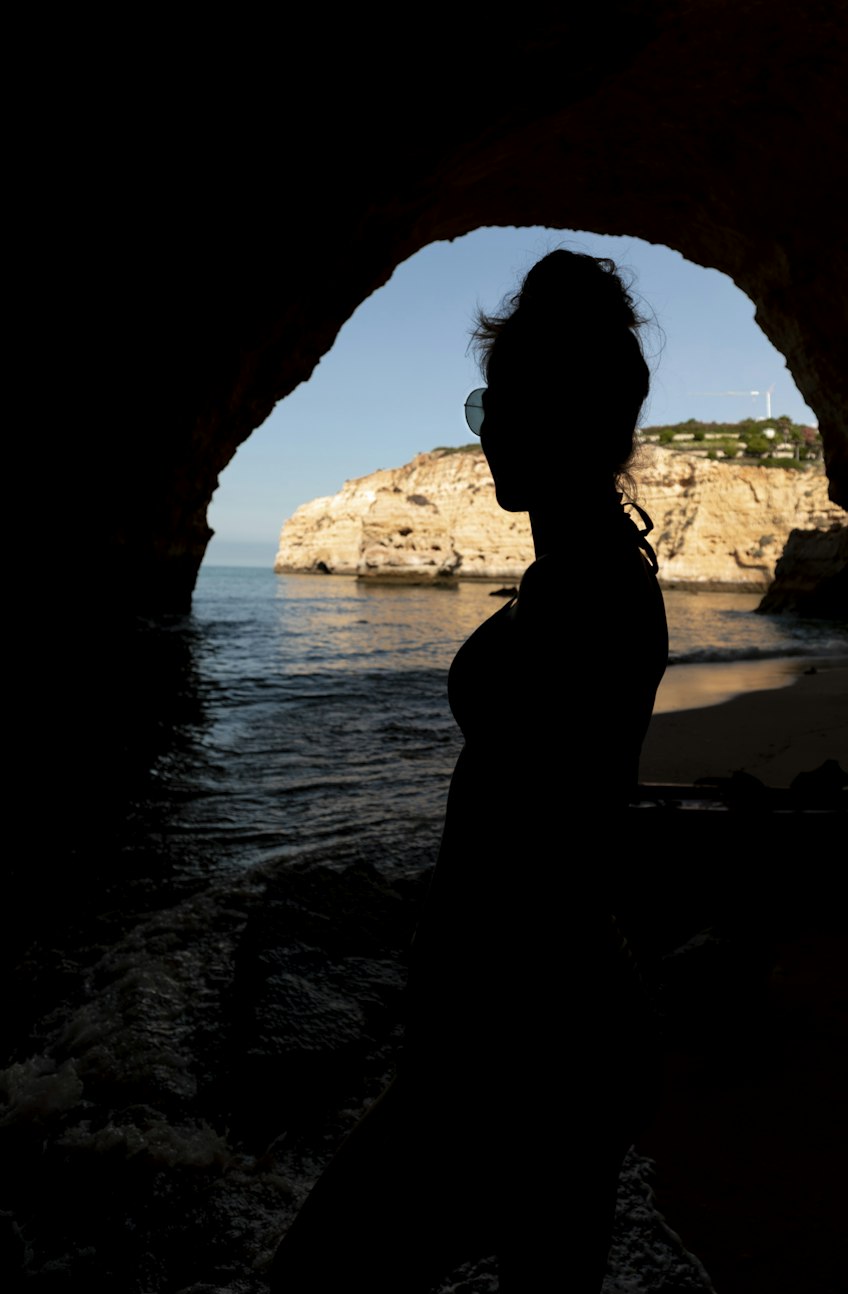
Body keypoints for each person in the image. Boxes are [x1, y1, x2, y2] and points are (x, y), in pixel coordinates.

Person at [271, 250, 669, 1293]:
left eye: (506, 401)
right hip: (559, 1026)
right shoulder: (585, 575)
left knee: (318, 1276)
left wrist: (455, 1057)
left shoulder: (590, 592)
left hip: (523, 1039)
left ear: (569, 417)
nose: (488, 423)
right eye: (485, 400)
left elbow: (541, 854)